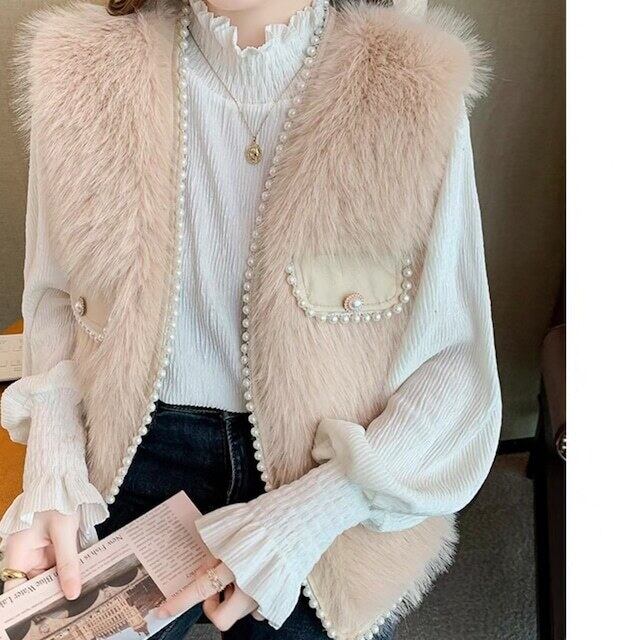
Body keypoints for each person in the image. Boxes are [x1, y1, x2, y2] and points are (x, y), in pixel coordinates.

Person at [0, 0, 501, 638]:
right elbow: (53, 301)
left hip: (327, 471)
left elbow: (454, 367)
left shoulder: (411, 84)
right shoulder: (81, 72)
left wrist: (313, 513)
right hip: (130, 453)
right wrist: (52, 471)